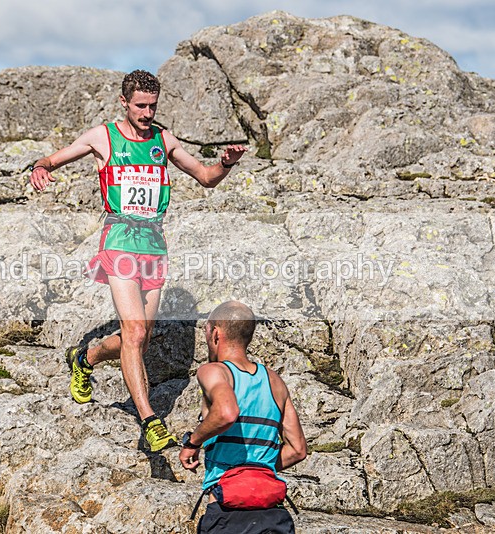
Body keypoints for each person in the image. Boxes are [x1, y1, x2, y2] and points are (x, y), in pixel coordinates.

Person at [29, 70, 247, 452]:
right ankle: (149, 419)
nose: (147, 113)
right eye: (141, 106)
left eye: (153, 106)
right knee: (134, 333)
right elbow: (54, 158)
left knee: (139, 339)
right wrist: (41, 167)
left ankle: (85, 358)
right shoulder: (104, 137)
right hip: (119, 239)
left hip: (154, 245)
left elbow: (206, 177)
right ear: (124, 103)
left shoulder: (164, 139)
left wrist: (225, 163)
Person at [179, 301, 307, 533]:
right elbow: (298, 449)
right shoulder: (274, 381)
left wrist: (192, 443)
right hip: (272, 515)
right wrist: (257, 468)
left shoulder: (214, 371)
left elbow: (226, 412)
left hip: (228, 513)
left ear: (215, 333)